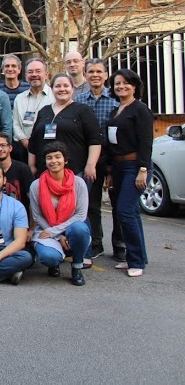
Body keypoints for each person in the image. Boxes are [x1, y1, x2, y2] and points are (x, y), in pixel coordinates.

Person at [105, 68, 153, 277]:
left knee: (125, 210)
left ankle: (136, 262)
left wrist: (143, 169)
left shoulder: (140, 109)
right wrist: (109, 171)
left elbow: (146, 142)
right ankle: (138, 256)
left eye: (125, 83)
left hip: (135, 167)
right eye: (117, 83)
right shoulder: (116, 111)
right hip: (118, 167)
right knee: (129, 212)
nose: (121, 86)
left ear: (134, 86)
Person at [75, 58, 121, 259]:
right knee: (91, 204)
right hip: (88, 162)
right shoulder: (79, 102)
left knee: (118, 205)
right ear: (85, 75)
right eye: (91, 71)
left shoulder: (116, 101)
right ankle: (95, 243)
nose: (95, 75)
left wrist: (111, 166)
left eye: (99, 72)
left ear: (106, 75)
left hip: (113, 160)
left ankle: (120, 245)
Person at [30, 142, 91, 286]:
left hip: (69, 229)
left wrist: (56, 231)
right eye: (49, 158)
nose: (54, 161)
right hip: (46, 229)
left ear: (66, 160)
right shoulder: (36, 185)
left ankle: (77, 266)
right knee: (49, 257)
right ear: (45, 162)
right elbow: (37, 216)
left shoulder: (79, 183)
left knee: (80, 229)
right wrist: (57, 235)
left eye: (58, 157)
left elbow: (81, 215)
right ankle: (54, 263)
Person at [28, 74, 101, 192]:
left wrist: (91, 165)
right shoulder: (44, 111)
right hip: (45, 171)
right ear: (52, 89)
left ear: (72, 89)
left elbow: (95, 140)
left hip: (75, 171)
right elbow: (33, 141)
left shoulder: (83, 110)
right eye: (58, 86)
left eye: (66, 86)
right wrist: (31, 165)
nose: (62, 89)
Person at [13, 58, 52, 162]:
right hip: (24, 150)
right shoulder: (19, 98)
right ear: (26, 76)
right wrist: (26, 143)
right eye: (30, 72)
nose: (34, 74)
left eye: (38, 71)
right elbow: (15, 124)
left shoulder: (55, 96)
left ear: (46, 74)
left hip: (50, 151)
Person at [0, 133, 34, 220]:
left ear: (10, 148)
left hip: (21, 221)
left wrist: (31, 229)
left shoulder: (23, 169)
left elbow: (33, 201)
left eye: (3, 145)